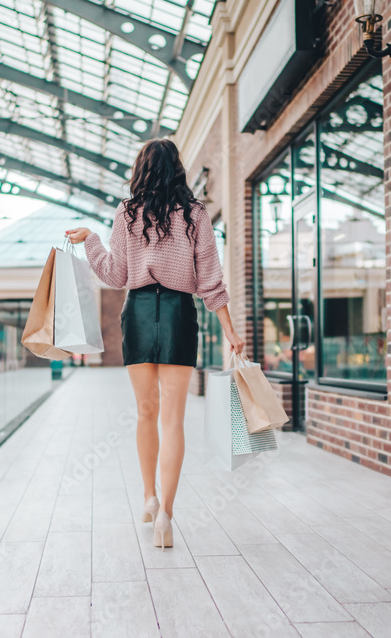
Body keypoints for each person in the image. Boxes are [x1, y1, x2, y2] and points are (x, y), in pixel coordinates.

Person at [66, 138, 245, 549]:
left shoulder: (127, 214)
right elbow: (210, 282)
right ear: (178, 168)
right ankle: (166, 514)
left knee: (145, 415)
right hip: (180, 314)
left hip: (140, 313)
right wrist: (230, 331)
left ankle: (148, 498)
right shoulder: (196, 214)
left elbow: (114, 274)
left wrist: (91, 239)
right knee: (173, 420)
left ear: (141, 168)